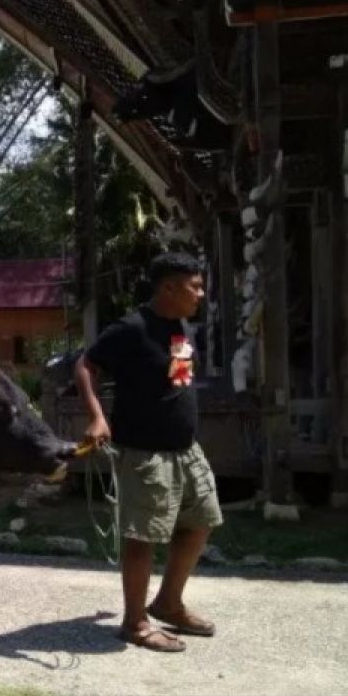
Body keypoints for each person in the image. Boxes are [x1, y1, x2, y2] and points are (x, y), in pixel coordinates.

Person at [74, 251, 222, 654]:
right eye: (195, 286)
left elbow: (176, 380)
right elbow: (85, 365)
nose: (201, 293)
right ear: (169, 287)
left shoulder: (179, 327)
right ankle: (135, 622)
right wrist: (97, 416)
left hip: (186, 450)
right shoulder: (131, 328)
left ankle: (169, 602)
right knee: (142, 537)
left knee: (200, 521)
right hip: (145, 454)